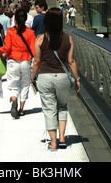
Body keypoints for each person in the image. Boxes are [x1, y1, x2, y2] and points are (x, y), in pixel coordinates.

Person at [30, 8, 81, 151]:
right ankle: (63, 138)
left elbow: (36, 62)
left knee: (49, 109)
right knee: (62, 106)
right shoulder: (68, 38)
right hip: (63, 77)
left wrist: (32, 77)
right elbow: (71, 61)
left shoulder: (40, 39)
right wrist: (77, 79)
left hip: (45, 77)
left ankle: (53, 143)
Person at [0, 8, 36, 118]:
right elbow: (33, 49)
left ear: (15, 19)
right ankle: (21, 109)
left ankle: (14, 100)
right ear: (26, 19)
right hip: (26, 60)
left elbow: (7, 47)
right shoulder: (30, 32)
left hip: (13, 60)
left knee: (13, 84)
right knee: (24, 84)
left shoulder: (11, 31)